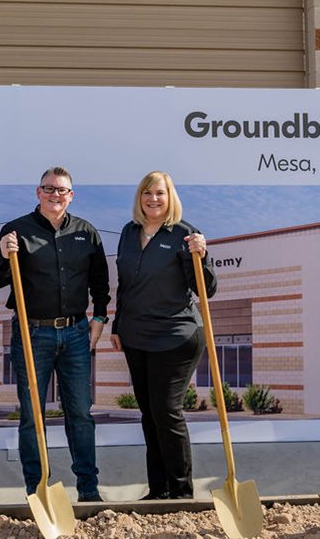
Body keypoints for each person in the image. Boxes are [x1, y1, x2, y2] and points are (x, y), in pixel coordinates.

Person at [0, 166, 109, 502]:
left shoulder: (86, 232)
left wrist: (99, 319)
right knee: (32, 414)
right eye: (49, 189)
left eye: (62, 190)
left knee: (81, 413)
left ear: (71, 195)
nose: (55, 195)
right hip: (31, 333)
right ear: (38, 192)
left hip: (76, 334)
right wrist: (1, 251)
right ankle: (38, 491)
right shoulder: (16, 230)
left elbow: (101, 282)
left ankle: (89, 490)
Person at [110, 171, 217, 500]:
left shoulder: (186, 234)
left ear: (170, 198)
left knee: (166, 411)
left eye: (159, 193)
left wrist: (203, 256)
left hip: (176, 335)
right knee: (149, 414)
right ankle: (159, 490)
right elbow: (125, 285)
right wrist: (116, 325)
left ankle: (181, 491)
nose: (153, 199)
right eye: (146, 193)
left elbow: (205, 289)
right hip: (135, 335)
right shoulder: (129, 233)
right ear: (139, 198)